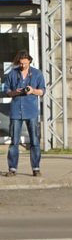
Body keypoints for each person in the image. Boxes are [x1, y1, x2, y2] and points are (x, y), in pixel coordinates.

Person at [4, 50, 45, 178]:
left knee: (34, 141)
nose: (23, 66)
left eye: (25, 64)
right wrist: (15, 92)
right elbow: (7, 91)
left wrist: (32, 90)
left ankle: (36, 168)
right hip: (16, 110)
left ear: (30, 61)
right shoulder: (12, 73)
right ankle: (12, 168)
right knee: (14, 141)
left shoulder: (37, 74)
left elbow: (42, 91)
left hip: (31, 110)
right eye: (21, 64)